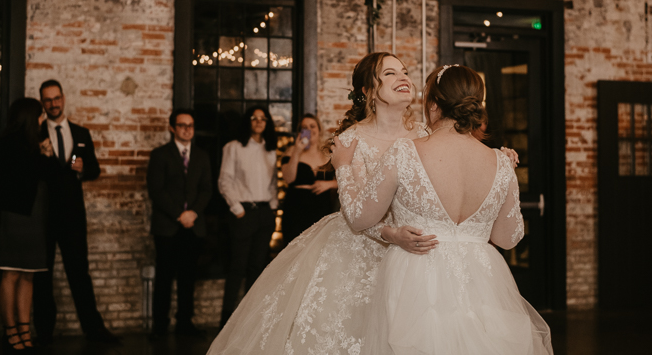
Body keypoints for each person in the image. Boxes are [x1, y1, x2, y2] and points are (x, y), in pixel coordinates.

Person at [207, 52, 445, 355]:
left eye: (404, 71)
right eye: (389, 74)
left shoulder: (426, 134)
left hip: (418, 251)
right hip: (361, 249)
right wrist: (391, 234)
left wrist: (495, 159)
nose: (403, 78)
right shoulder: (350, 140)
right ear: (368, 92)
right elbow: (354, 209)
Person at [333, 64, 552, 354]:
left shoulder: (404, 151)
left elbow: (360, 218)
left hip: (417, 279)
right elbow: (508, 238)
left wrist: (343, 169)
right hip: (482, 283)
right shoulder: (501, 162)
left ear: (433, 105)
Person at [32, 80, 119, 345]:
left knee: (79, 273)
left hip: (72, 216)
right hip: (43, 217)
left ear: (64, 98)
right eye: (47, 100)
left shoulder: (81, 133)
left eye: (56, 98)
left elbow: (95, 170)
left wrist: (82, 168)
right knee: (42, 276)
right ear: (42, 103)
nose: (53, 104)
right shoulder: (35, 136)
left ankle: (94, 330)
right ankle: (44, 333)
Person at [0, 98, 60, 352]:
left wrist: (48, 154)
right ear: (30, 117)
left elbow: (51, 176)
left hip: (35, 216)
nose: (43, 119)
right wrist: (41, 155)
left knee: (29, 274)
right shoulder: (8, 143)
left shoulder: (37, 143)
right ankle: (10, 331)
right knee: (10, 273)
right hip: (14, 215)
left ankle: (23, 328)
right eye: (40, 115)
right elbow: (14, 179)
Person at [147, 109, 213, 339]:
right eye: (182, 125)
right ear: (172, 128)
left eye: (191, 125)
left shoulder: (202, 156)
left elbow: (207, 189)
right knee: (164, 277)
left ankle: (185, 323)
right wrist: (179, 214)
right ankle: (160, 326)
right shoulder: (160, 155)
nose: (187, 129)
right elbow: (156, 190)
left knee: (188, 278)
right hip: (168, 226)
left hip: (193, 226)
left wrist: (193, 213)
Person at [218, 105, 280, 325]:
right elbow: (225, 180)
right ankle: (226, 320)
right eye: (254, 118)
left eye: (263, 118)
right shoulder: (233, 147)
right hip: (243, 212)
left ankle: (249, 321)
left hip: (264, 213)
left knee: (257, 268)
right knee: (237, 267)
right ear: (248, 121)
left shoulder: (270, 149)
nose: (259, 121)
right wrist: (237, 209)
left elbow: (273, 183)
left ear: (267, 123)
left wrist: (272, 207)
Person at [280, 114, 337, 246]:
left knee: (317, 249)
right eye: (304, 127)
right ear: (300, 132)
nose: (309, 130)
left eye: (312, 126)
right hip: (296, 208)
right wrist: (297, 150)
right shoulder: (290, 152)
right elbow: (288, 178)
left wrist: (328, 184)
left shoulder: (328, 154)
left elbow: (344, 180)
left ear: (319, 129)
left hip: (321, 208)